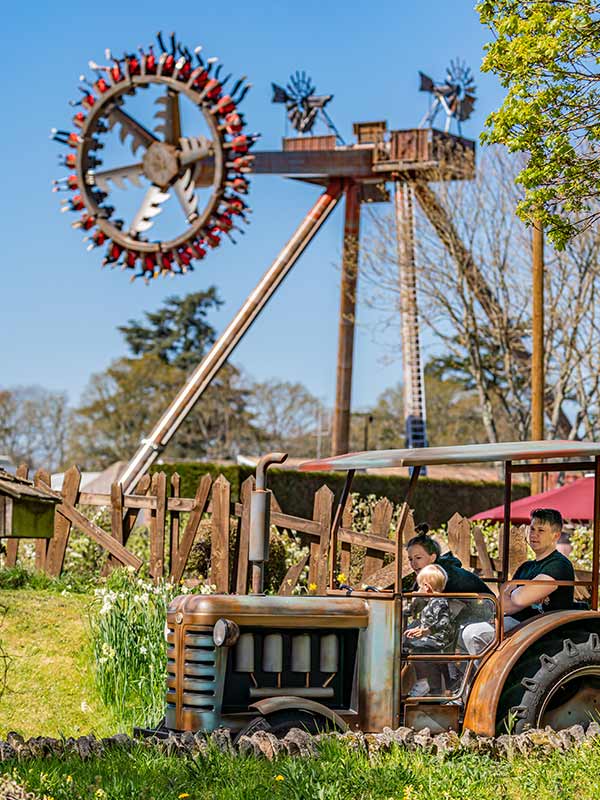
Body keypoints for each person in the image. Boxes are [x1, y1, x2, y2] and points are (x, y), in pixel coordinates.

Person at [462, 508, 575, 655]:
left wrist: (514, 592)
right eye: (532, 529)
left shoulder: (559, 565)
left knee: (473, 633)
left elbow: (519, 599)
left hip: (541, 629)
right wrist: (516, 594)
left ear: (556, 535)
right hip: (517, 624)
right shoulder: (526, 567)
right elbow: (503, 603)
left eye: (541, 530)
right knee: (460, 631)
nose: (534, 534)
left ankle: (488, 678)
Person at [404, 563, 455, 696]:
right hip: (432, 636)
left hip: (438, 640)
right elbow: (410, 612)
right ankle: (426, 683)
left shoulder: (439, 602)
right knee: (406, 643)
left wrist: (426, 631)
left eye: (420, 586)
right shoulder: (431, 601)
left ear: (426, 587)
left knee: (414, 648)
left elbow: (444, 622)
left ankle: (423, 682)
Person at [406, 524, 494, 596]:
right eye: (410, 559)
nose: (413, 563)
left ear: (432, 557)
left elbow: (452, 607)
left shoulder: (445, 576)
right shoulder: (427, 576)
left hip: (485, 610)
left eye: (418, 558)